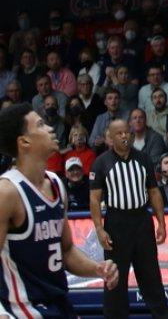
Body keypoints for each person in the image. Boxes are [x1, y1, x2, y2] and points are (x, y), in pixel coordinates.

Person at [0, 103, 118, 317]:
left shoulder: (55, 183)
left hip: (59, 302)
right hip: (24, 308)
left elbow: (65, 250)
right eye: (41, 125)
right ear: (24, 141)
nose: (50, 129)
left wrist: (96, 268)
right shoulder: (7, 192)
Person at [89, 118, 168, 318]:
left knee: (151, 277)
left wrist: (161, 222)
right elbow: (94, 198)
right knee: (115, 278)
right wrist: (99, 229)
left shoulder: (144, 159)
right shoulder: (101, 162)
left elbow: (154, 192)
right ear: (110, 137)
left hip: (142, 221)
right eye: (120, 133)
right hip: (116, 223)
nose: (125, 136)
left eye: (127, 132)